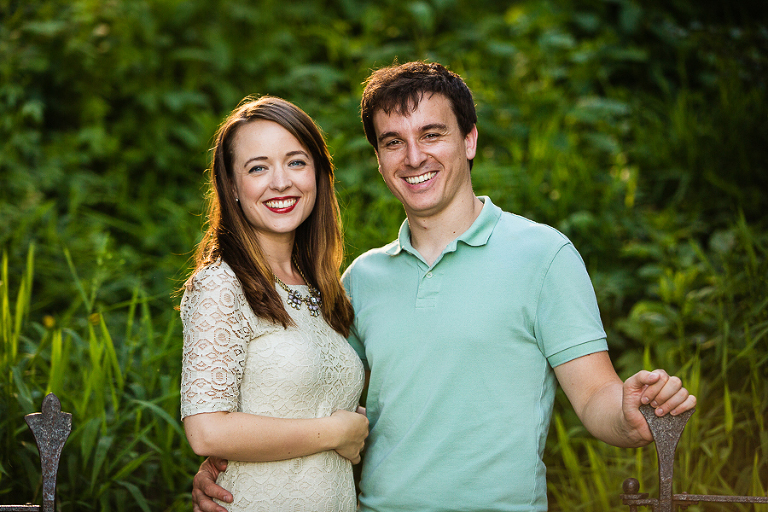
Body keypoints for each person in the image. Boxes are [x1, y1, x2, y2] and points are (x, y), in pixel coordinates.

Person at [191, 63, 696, 511]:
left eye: (432, 134)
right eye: (393, 142)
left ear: (469, 140)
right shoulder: (359, 280)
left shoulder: (543, 255)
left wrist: (629, 415)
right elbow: (320, 397)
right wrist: (226, 461)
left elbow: (595, 398)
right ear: (379, 160)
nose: (414, 156)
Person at [180, 95, 369, 512]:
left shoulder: (321, 288)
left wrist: (350, 422)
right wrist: (336, 432)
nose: (280, 182)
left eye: (296, 162)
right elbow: (206, 431)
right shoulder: (221, 284)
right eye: (258, 167)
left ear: (318, 173)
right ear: (231, 185)